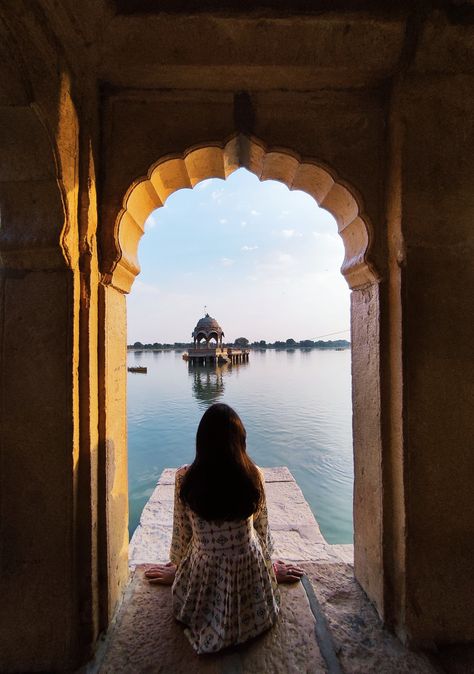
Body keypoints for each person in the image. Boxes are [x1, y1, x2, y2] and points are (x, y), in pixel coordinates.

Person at [145, 403, 304, 655]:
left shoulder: (185, 479)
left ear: (201, 442)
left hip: (204, 571)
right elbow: (262, 534)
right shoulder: (254, 476)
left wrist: (177, 571)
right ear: (241, 441)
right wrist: (271, 571)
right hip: (250, 573)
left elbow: (182, 537)